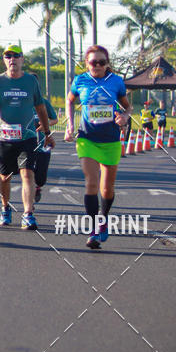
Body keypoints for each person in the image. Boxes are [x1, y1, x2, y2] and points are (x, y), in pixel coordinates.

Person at [65, 45, 131, 250]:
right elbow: (69, 101)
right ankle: (94, 229)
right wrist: (70, 124)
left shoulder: (116, 82)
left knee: (107, 188)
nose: (98, 66)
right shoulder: (80, 80)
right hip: (87, 138)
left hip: (110, 139)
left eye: (102, 62)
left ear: (107, 63)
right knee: (91, 184)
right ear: (87, 63)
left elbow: (127, 106)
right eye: (94, 62)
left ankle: (103, 217)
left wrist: (125, 117)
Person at [0, 45, 55, 230]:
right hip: (4, 137)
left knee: (27, 173)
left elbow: (40, 108)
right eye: (8, 56)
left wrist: (47, 133)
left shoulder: (31, 81)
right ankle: (5, 207)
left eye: (16, 56)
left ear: (22, 59)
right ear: (4, 60)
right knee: (5, 176)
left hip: (27, 136)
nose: (12, 59)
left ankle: (28, 214)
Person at [34, 96, 58, 204]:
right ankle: (29, 208)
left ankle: (37, 187)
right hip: (25, 144)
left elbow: (54, 119)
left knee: (40, 178)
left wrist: (45, 124)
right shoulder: (21, 101)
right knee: (27, 173)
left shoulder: (43, 102)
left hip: (43, 143)